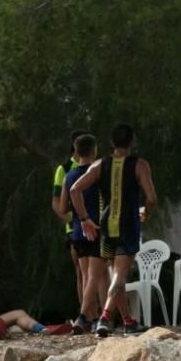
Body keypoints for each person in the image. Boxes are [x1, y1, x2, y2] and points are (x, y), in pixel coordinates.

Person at [69, 123, 158, 337]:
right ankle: (105, 317)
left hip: (106, 226)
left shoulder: (100, 165)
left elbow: (74, 190)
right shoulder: (140, 165)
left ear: (111, 143)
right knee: (119, 275)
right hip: (128, 227)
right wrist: (146, 212)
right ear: (132, 142)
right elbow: (152, 198)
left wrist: (84, 219)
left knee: (110, 274)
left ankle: (126, 320)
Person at [59, 133, 106, 333]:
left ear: (76, 152)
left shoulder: (69, 175)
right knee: (95, 276)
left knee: (87, 276)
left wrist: (78, 213)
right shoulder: (98, 172)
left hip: (77, 232)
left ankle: (93, 318)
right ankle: (82, 316)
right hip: (95, 228)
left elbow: (62, 208)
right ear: (94, 150)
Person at [52, 130, 89, 311]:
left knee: (99, 272)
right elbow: (56, 202)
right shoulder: (65, 169)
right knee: (82, 272)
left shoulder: (96, 166)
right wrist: (73, 220)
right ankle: (86, 314)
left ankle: (102, 315)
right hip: (75, 229)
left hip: (97, 226)